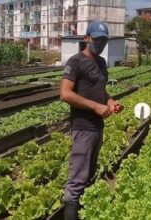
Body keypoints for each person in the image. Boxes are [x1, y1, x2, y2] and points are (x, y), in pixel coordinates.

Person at [60, 21, 123, 220]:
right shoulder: (75, 62)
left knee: (90, 173)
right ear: (87, 38)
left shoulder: (101, 63)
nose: (100, 43)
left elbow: (100, 91)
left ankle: (83, 213)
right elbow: (65, 94)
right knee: (77, 178)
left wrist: (110, 101)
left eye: (104, 39)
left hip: (97, 126)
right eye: (97, 39)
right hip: (83, 126)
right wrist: (96, 107)